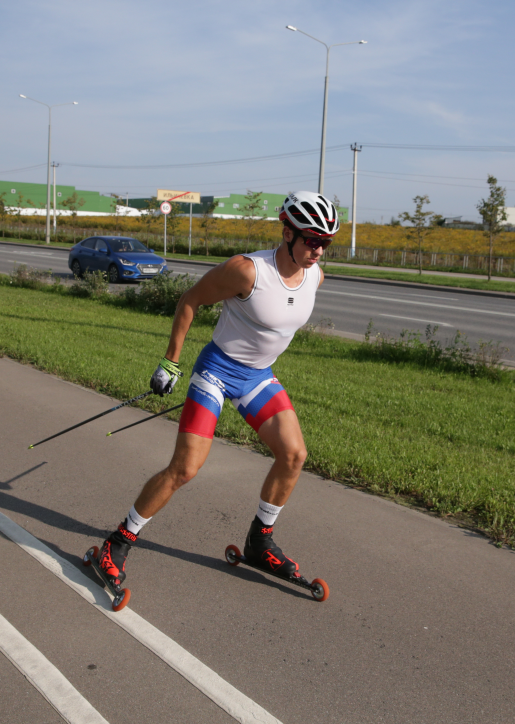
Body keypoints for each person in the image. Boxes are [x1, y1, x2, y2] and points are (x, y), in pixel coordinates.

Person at [94, 190, 340, 591]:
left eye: (325, 243)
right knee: (185, 469)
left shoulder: (315, 274)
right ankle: (116, 543)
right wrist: (171, 361)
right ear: (288, 232)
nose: (318, 251)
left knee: (294, 454)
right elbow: (190, 300)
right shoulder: (248, 271)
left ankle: (260, 541)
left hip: (258, 376)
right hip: (217, 371)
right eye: (312, 240)